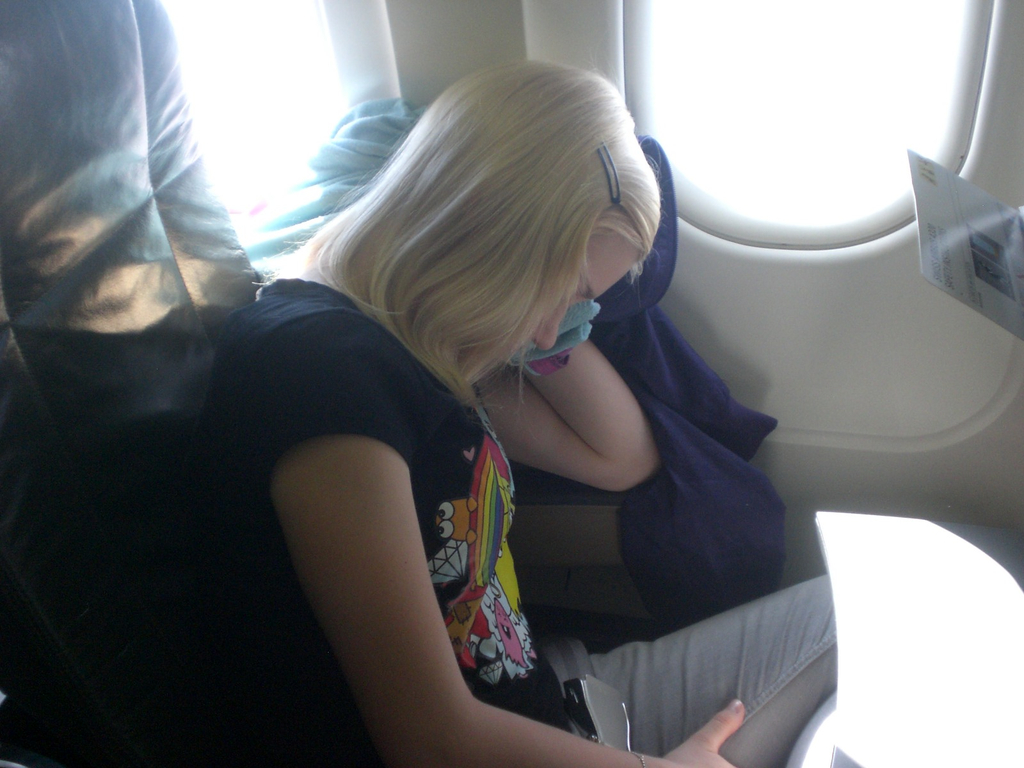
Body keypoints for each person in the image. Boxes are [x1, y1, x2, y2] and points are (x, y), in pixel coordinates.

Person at [187, 60, 836, 768]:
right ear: (495, 231)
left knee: (862, 617)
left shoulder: (420, 343)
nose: (549, 332)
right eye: (564, 291)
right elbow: (430, 740)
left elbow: (619, 457)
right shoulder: (320, 375)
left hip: (548, 701)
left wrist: (541, 315)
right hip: (486, 744)